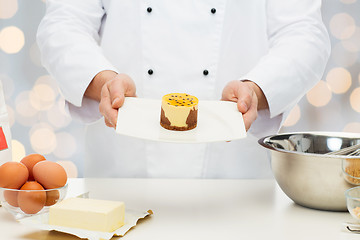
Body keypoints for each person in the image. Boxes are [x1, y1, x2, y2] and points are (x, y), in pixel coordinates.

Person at [37, 0, 330, 178]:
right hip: (123, 175)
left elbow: (304, 34)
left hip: (233, 182)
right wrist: (103, 82)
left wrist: (256, 89)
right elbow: (63, 24)